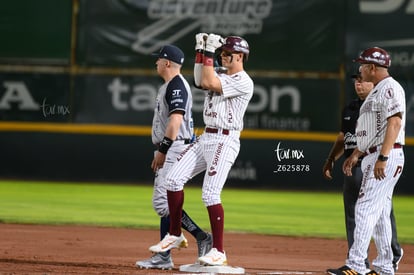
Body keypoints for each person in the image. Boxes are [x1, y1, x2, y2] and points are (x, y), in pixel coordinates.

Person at [148, 33, 254, 266]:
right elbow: (199, 79)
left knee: (210, 194)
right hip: (207, 136)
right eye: (222, 52)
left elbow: (207, 82)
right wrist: (200, 50)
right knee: (173, 180)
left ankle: (219, 251)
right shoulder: (224, 74)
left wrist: (207, 53)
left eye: (227, 53)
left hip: (225, 140)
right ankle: (175, 234)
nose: (223, 56)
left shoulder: (243, 81)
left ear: (240, 56)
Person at [327, 47, 406, 275]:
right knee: (380, 213)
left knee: (363, 208)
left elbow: (394, 124)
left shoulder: (390, 88)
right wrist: (356, 154)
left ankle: (356, 265)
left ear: (372, 67)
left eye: (362, 65)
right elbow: (374, 129)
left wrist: (382, 157)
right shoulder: (378, 90)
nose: (359, 69)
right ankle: (383, 267)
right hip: (373, 153)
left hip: (385, 155)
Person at [136, 44, 212, 270]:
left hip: (175, 147)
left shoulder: (176, 85)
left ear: (167, 62)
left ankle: (201, 236)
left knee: (162, 203)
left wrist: (163, 150)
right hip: (174, 146)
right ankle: (164, 256)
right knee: (167, 199)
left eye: (158, 59)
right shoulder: (170, 85)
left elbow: (175, 121)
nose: (156, 62)